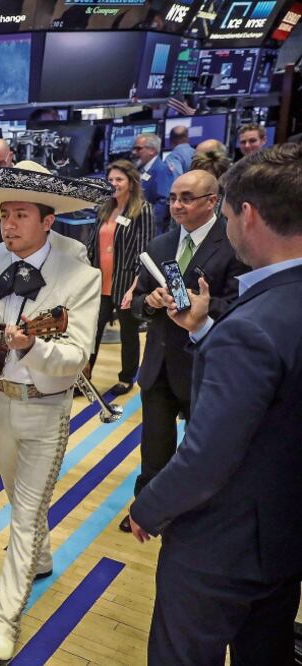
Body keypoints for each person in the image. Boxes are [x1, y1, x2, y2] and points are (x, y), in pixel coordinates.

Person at [128, 143, 302, 665]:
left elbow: (207, 457)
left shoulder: (250, 327)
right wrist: (203, 327)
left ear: (246, 215)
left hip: (222, 547)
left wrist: (149, 508)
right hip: (285, 531)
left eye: (225, 213)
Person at [0, 161, 108, 662]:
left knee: (27, 516)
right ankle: (40, 557)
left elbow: (77, 357)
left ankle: (5, 619)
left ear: (48, 219)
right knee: (19, 502)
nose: (9, 224)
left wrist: (33, 348)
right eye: (5, 214)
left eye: (21, 215)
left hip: (46, 409)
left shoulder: (80, 277)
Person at [119, 170, 247, 533]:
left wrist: (204, 308)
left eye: (186, 198)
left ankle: (194, 511)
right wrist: (151, 301)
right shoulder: (160, 246)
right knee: (154, 447)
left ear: (212, 201)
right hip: (159, 365)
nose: (176, 205)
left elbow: (241, 305)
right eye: (173, 197)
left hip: (204, 366)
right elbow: (137, 303)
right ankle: (146, 509)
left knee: (200, 450)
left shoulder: (234, 246)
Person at [86, 160, 154, 395]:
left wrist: (134, 288)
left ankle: (126, 378)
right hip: (100, 283)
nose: (114, 184)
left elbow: (143, 252)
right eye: (111, 179)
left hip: (126, 284)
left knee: (129, 333)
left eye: (119, 179)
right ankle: (85, 375)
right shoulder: (104, 207)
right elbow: (93, 245)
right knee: (91, 330)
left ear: (131, 183)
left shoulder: (142, 210)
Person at [132, 133, 174, 235]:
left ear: (152, 150)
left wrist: (146, 222)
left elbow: (163, 201)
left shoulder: (161, 170)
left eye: (138, 149)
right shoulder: (141, 169)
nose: (134, 152)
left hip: (152, 230)